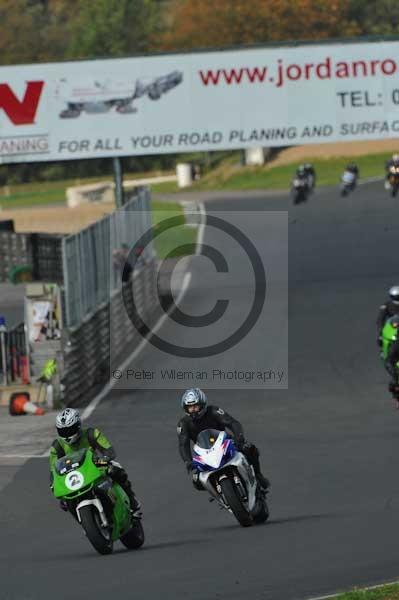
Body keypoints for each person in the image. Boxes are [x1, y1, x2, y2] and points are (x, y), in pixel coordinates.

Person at [49, 408, 142, 518]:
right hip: (71, 475)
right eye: (63, 431)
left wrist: (105, 460)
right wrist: (54, 486)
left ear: (78, 426)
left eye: (70, 430)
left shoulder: (91, 433)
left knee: (117, 469)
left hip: (95, 463)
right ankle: (85, 523)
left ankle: (132, 502)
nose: (67, 435)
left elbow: (109, 451)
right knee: (64, 501)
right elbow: (53, 470)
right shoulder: (57, 446)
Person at [177, 388, 270, 491]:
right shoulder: (183, 424)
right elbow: (183, 444)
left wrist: (239, 438)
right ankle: (218, 493)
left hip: (225, 443)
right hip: (205, 453)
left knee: (250, 448)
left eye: (196, 406)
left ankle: (258, 475)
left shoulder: (213, 411)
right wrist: (188, 461)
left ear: (203, 404)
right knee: (196, 481)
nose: (193, 410)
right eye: (190, 407)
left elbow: (232, 423)